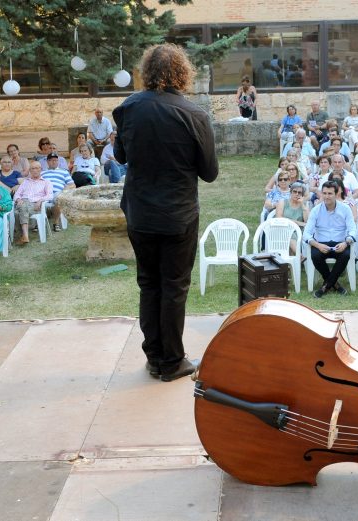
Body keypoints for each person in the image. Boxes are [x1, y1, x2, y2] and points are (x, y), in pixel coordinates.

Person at [114, 43, 218, 382]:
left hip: (140, 214)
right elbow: (209, 172)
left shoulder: (128, 108)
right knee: (173, 287)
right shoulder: (194, 115)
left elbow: (120, 156)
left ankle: (155, 356)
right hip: (178, 215)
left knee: (149, 284)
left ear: (147, 72)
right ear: (182, 74)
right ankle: (172, 362)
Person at [303, 180, 358, 298]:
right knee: (315, 255)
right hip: (321, 243)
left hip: (340, 242)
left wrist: (345, 242)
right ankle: (335, 284)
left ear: (336, 194)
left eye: (330, 193)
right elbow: (306, 234)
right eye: (324, 193)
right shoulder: (316, 210)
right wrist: (317, 245)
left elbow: (353, 230)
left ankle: (326, 286)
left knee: (345, 255)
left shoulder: (345, 209)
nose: (326, 196)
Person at [13, 161, 54, 245]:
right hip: (22, 202)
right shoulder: (25, 182)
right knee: (20, 208)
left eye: (37, 168)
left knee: (17, 212)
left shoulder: (46, 182)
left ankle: (24, 236)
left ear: (41, 169)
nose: (35, 170)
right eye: (32, 168)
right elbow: (17, 194)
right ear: (30, 171)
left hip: (35, 205)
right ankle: (25, 235)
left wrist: (40, 200)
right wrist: (18, 199)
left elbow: (50, 195)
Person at [40, 153, 75, 231]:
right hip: (44, 193)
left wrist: (66, 189)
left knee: (58, 198)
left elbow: (72, 185)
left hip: (57, 192)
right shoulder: (42, 173)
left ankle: (56, 223)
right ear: (47, 162)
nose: (54, 162)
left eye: (56, 160)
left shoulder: (64, 172)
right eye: (52, 160)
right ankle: (37, 223)